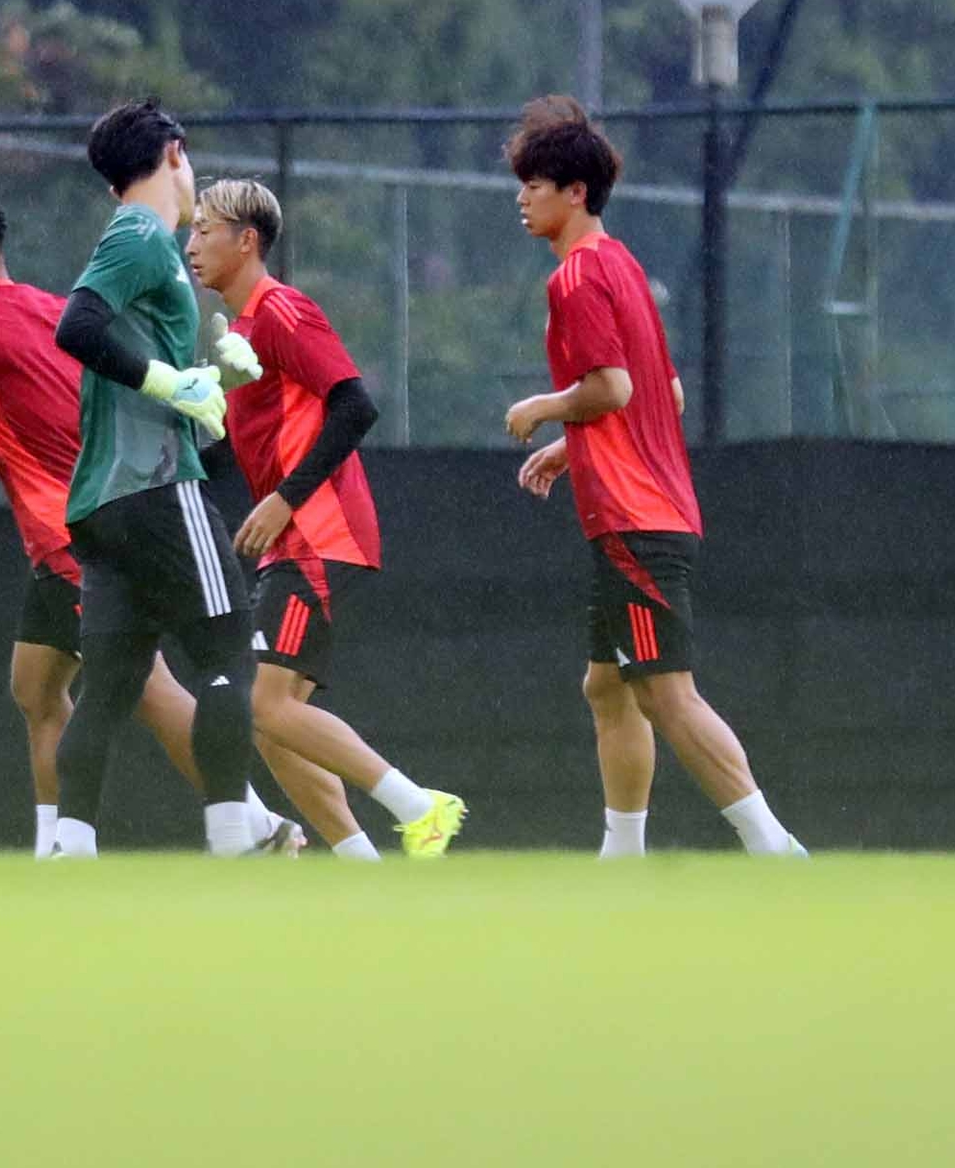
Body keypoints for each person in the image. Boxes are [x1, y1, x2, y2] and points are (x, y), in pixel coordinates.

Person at [0, 187, 278, 855]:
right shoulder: (53, 310)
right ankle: (55, 846)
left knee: (148, 686)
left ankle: (254, 823)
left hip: (73, 530)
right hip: (101, 512)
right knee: (35, 685)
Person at [499, 96, 806, 858]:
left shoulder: (574, 278)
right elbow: (661, 392)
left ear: (575, 192)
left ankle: (774, 848)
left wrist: (545, 408)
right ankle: (623, 856)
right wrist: (572, 448)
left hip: (635, 517)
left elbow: (614, 388)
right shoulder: (624, 265)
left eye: (534, 183)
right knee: (606, 687)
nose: (521, 196)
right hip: (649, 508)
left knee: (667, 692)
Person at [184, 178, 468, 861]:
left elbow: (355, 405)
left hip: (319, 532)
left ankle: (418, 805)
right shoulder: (243, 332)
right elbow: (239, 438)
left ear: (246, 241)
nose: (191, 244)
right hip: (296, 537)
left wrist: (286, 498)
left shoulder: (282, 310)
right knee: (273, 721)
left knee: (263, 704)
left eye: (203, 230)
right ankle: (358, 865)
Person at [39, 99, 279, 859]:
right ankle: (234, 841)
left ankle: (70, 854)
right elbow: (76, 326)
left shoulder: (138, 238)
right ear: (174, 152)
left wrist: (205, 378)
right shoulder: (144, 234)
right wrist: (173, 387)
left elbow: (133, 363)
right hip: (156, 487)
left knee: (108, 688)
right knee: (229, 653)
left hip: (102, 504)